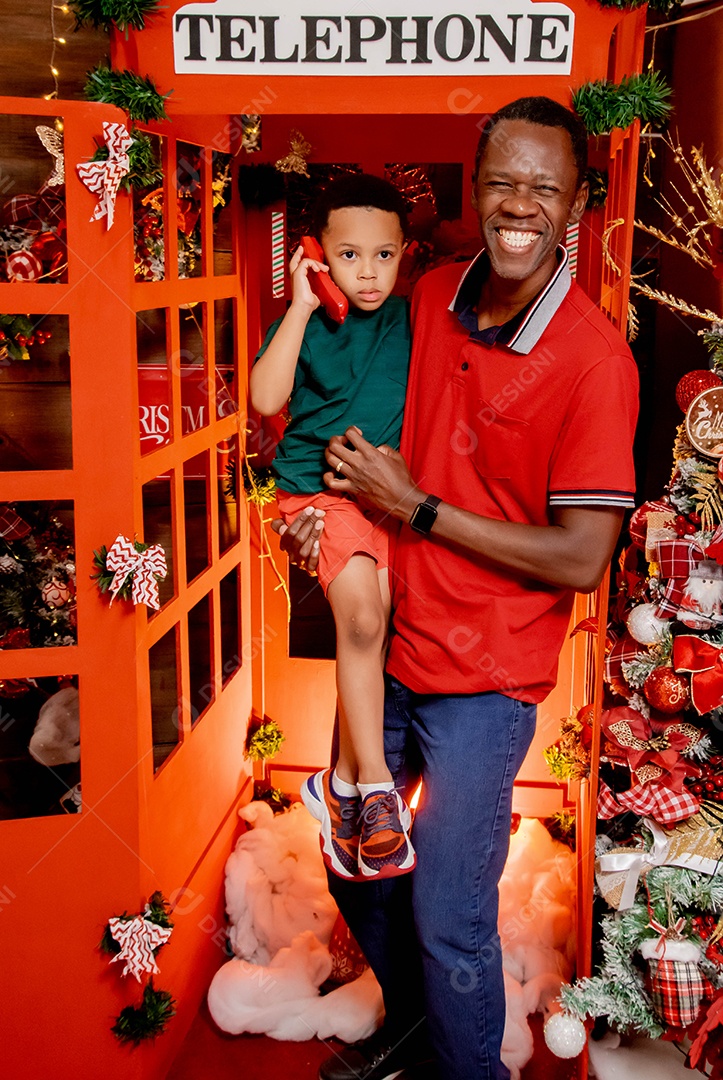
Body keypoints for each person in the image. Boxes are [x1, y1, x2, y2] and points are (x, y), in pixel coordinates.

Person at [275, 96, 639, 1080]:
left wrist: (421, 505)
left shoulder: (596, 362)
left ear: (576, 201)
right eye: (502, 182)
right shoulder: (426, 293)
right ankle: (411, 1028)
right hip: (389, 640)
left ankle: (457, 1063)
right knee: (356, 863)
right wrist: (317, 502)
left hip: (485, 675)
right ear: (473, 190)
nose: (521, 204)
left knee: (448, 916)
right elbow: (337, 400)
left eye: (545, 187)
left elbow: (580, 556)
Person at [250, 173, 417, 881]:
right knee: (359, 624)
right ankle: (375, 788)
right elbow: (264, 398)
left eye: (383, 255)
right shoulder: (308, 323)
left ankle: (338, 786)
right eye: (349, 255)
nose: (368, 271)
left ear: (404, 253)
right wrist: (297, 305)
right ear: (319, 254)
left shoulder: (411, 320)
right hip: (319, 496)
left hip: (389, 497)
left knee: (376, 625)